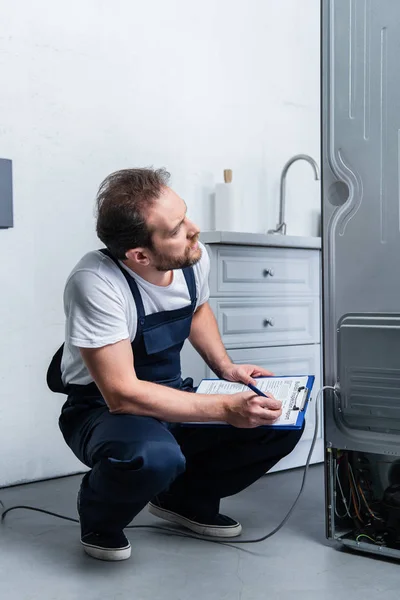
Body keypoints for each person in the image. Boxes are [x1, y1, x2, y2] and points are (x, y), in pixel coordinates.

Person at [47, 167, 304, 562]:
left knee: (277, 422)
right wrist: (224, 408)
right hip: (101, 409)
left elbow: (197, 309)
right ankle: (100, 516)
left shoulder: (188, 256)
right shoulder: (95, 282)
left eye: (185, 216)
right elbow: (122, 395)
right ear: (140, 255)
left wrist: (225, 369)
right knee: (153, 457)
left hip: (171, 391)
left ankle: (184, 500)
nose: (194, 229)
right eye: (176, 228)